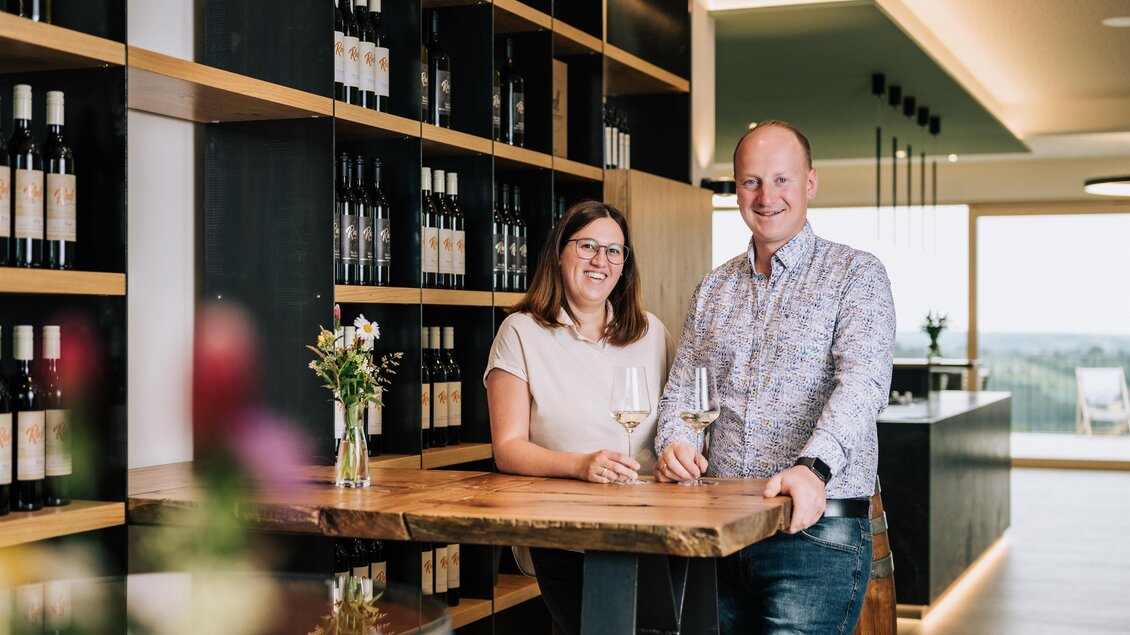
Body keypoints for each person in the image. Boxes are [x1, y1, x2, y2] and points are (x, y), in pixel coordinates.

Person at [654, 120, 896, 633]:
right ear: (737, 189)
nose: (766, 196)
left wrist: (813, 468)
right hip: (719, 530)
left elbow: (864, 385)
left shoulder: (856, 274)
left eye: (782, 179)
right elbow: (682, 392)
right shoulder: (713, 288)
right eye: (752, 182)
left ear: (810, 182)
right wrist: (675, 443)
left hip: (816, 535)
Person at [485, 200, 673, 635]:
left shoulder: (652, 332)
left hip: (651, 529)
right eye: (587, 246)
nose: (600, 261)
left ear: (624, 265)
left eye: (613, 251)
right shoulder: (520, 332)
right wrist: (581, 465)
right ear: (559, 253)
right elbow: (507, 449)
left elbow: (678, 423)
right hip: (564, 532)